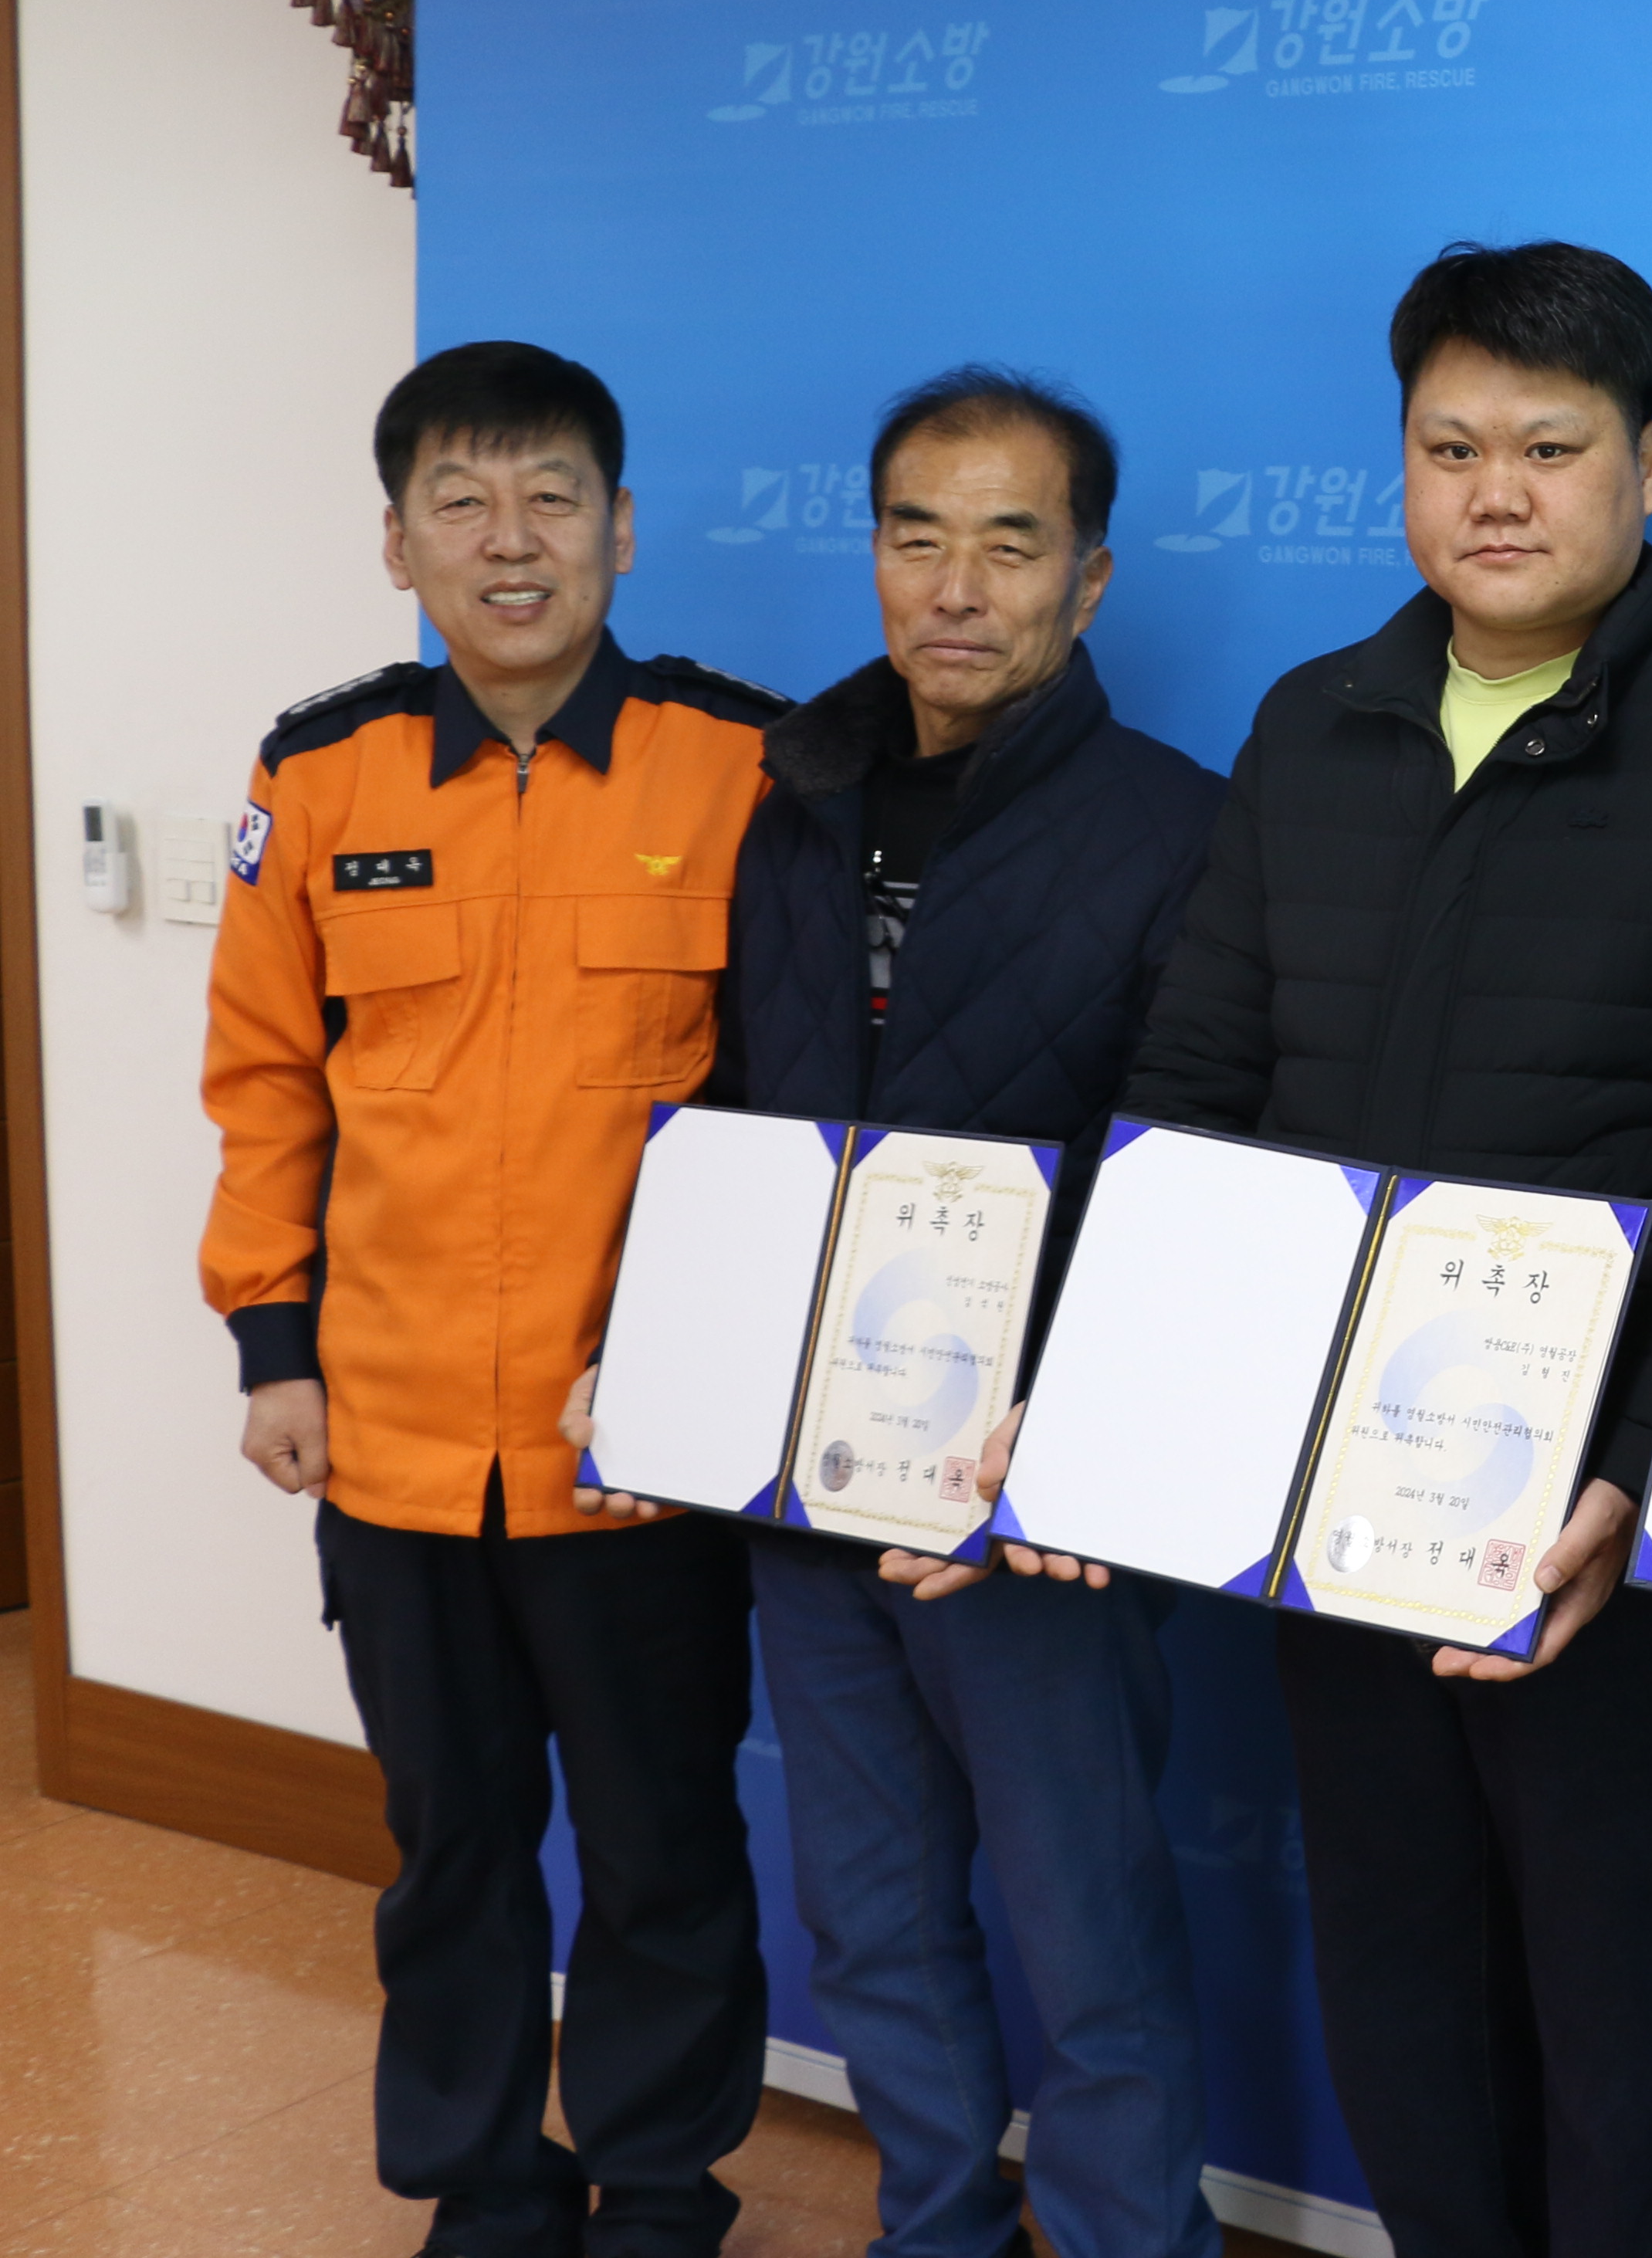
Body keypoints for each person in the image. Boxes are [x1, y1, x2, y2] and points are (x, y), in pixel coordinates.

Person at [1109, 242, 1652, 2256]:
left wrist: (1632, 1465)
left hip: (1602, 1527)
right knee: (1402, 1979)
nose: (1497, 493)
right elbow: (1194, 1087)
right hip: (1338, 1496)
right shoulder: (1313, 725)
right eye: (1451, 447)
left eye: (1549, 446)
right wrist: (1117, 1396)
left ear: (1645, 467)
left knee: (1627, 2018)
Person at [569, 371, 1227, 2258]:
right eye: (916, 535)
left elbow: (1191, 1166)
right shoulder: (792, 805)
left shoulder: (1178, 829)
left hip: (1027, 1494)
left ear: (1089, 577)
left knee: (1088, 1932)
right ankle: (933, 2225)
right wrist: (663, 1361)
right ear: (870, 552)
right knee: (866, 1916)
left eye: (1009, 543)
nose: (955, 585)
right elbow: (733, 1116)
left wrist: (1070, 1431)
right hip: (805, 1483)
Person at [202, 342, 786, 2258]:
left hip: (638, 1441)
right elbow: (267, 1083)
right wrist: (272, 1345)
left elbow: (791, 1108)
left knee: (662, 1841)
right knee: (449, 1846)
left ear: (623, 529)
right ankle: (482, 2182)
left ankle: (660, 2184)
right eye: (460, 501)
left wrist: (708, 1371)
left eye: (552, 498)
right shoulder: (318, 773)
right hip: (389, 1431)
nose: (509, 541)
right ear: (398, 543)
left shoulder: (743, 767)